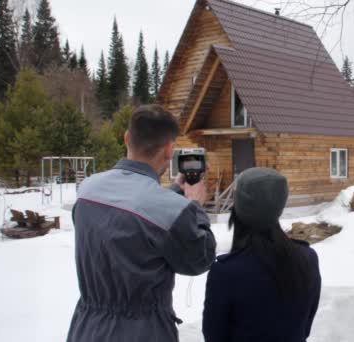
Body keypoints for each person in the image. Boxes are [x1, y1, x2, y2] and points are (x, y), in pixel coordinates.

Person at [67, 105, 216, 342]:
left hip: (87, 327)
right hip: (144, 332)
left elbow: (131, 211)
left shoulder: (87, 190)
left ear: (127, 138)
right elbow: (200, 259)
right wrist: (195, 206)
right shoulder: (173, 210)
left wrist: (176, 190)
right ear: (169, 150)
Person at [202, 168, 321, 342]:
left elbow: (214, 336)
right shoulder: (308, 258)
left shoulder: (226, 272)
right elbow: (305, 327)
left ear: (239, 208)